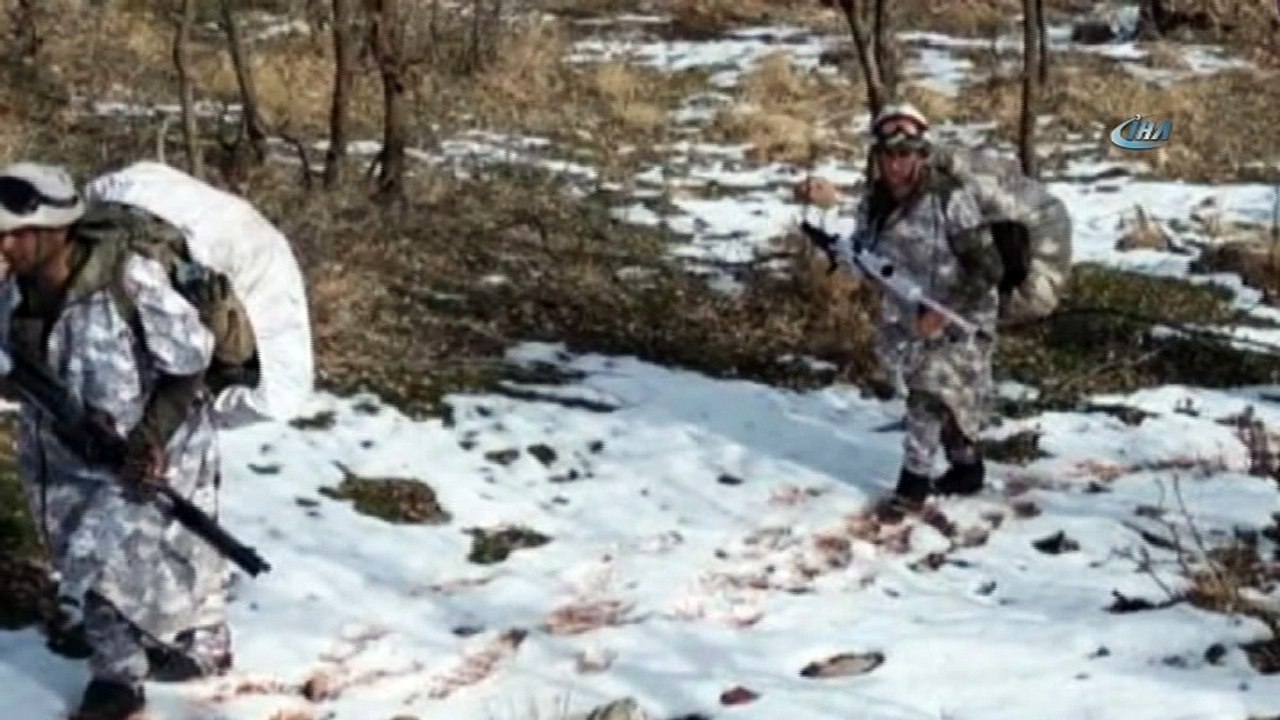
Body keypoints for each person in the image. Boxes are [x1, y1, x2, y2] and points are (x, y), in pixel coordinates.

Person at [0, 162, 231, 720]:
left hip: (156, 445)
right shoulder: (8, 287)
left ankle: (201, 647)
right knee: (92, 559)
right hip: (61, 452)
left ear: (58, 230)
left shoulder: (129, 277)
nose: (3, 244)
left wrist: (151, 438)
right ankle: (117, 678)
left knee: (181, 555)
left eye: (15, 233)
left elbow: (190, 362)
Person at [843, 105, 1004, 519]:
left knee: (928, 397)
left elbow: (989, 266)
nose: (897, 164)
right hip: (905, 318)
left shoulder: (950, 198)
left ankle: (912, 486)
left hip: (960, 317)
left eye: (906, 154)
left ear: (921, 155)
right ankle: (967, 468)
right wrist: (847, 258)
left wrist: (946, 312)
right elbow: (864, 252)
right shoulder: (873, 204)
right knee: (944, 400)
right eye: (889, 155)